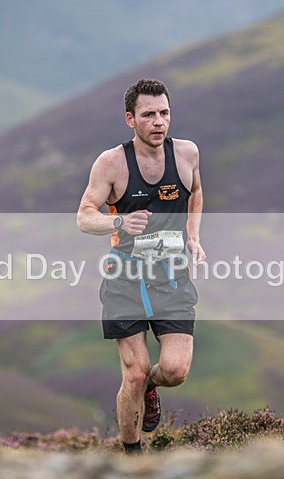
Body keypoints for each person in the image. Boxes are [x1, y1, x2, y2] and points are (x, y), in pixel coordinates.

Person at [77, 79, 206, 455]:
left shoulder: (187, 154)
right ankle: (132, 457)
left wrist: (193, 235)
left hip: (171, 277)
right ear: (130, 120)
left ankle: (151, 387)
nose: (159, 121)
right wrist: (119, 222)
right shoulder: (112, 163)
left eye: (164, 113)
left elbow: (196, 191)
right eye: (149, 115)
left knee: (175, 371)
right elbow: (84, 217)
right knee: (132, 373)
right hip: (126, 279)